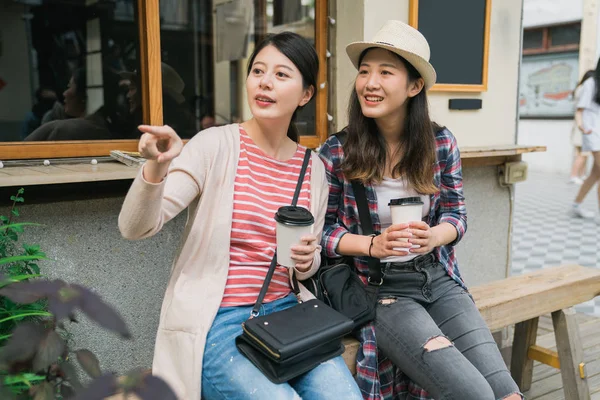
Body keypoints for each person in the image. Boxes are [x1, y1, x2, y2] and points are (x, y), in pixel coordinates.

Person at [118, 32, 362, 400]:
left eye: (282, 75)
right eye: (258, 71)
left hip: (288, 317)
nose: (265, 82)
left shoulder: (311, 169)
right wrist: (156, 166)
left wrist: (306, 258)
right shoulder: (214, 145)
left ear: (306, 94)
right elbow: (135, 227)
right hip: (219, 324)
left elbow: (305, 268)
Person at [319, 20, 522, 400]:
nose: (370, 82)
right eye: (364, 71)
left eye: (385, 72)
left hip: (438, 280)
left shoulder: (440, 142)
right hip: (381, 291)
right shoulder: (338, 150)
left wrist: (433, 237)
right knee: (475, 394)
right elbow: (320, 232)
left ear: (414, 86)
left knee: (507, 393)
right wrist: (372, 245)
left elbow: (457, 217)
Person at [569, 70, 595, 184]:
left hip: (580, 126)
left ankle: (581, 175)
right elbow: (582, 111)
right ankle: (574, 176)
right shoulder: (585, 89)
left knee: (582, 153)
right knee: (583, 154)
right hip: (583, 127)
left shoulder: (580, 89)